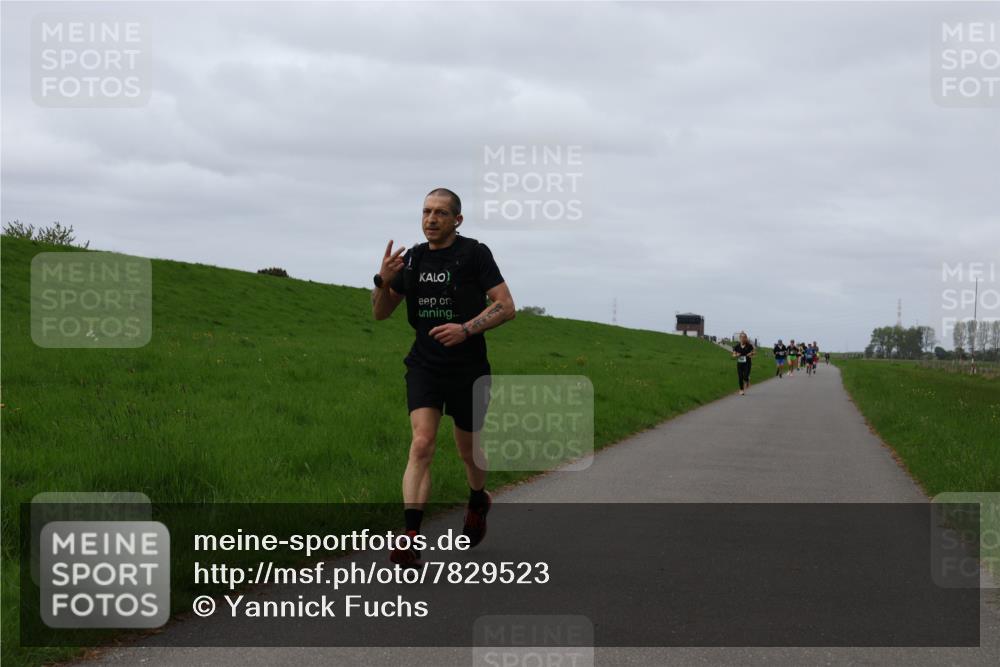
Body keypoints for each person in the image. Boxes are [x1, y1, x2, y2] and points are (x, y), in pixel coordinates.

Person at [372, 188, 516, 567]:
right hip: (425, 365)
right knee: (421, 444)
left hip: (468, 368)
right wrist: (382, 281)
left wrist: (465, 330)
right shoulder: (414, 260)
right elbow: (381, 313)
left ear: (457, 220)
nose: (431, 219)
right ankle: (410, 536)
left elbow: (506, 306)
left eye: (440, 213)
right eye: (426, 212)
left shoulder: (474, 254)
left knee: (468, 452)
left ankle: (477, 499)